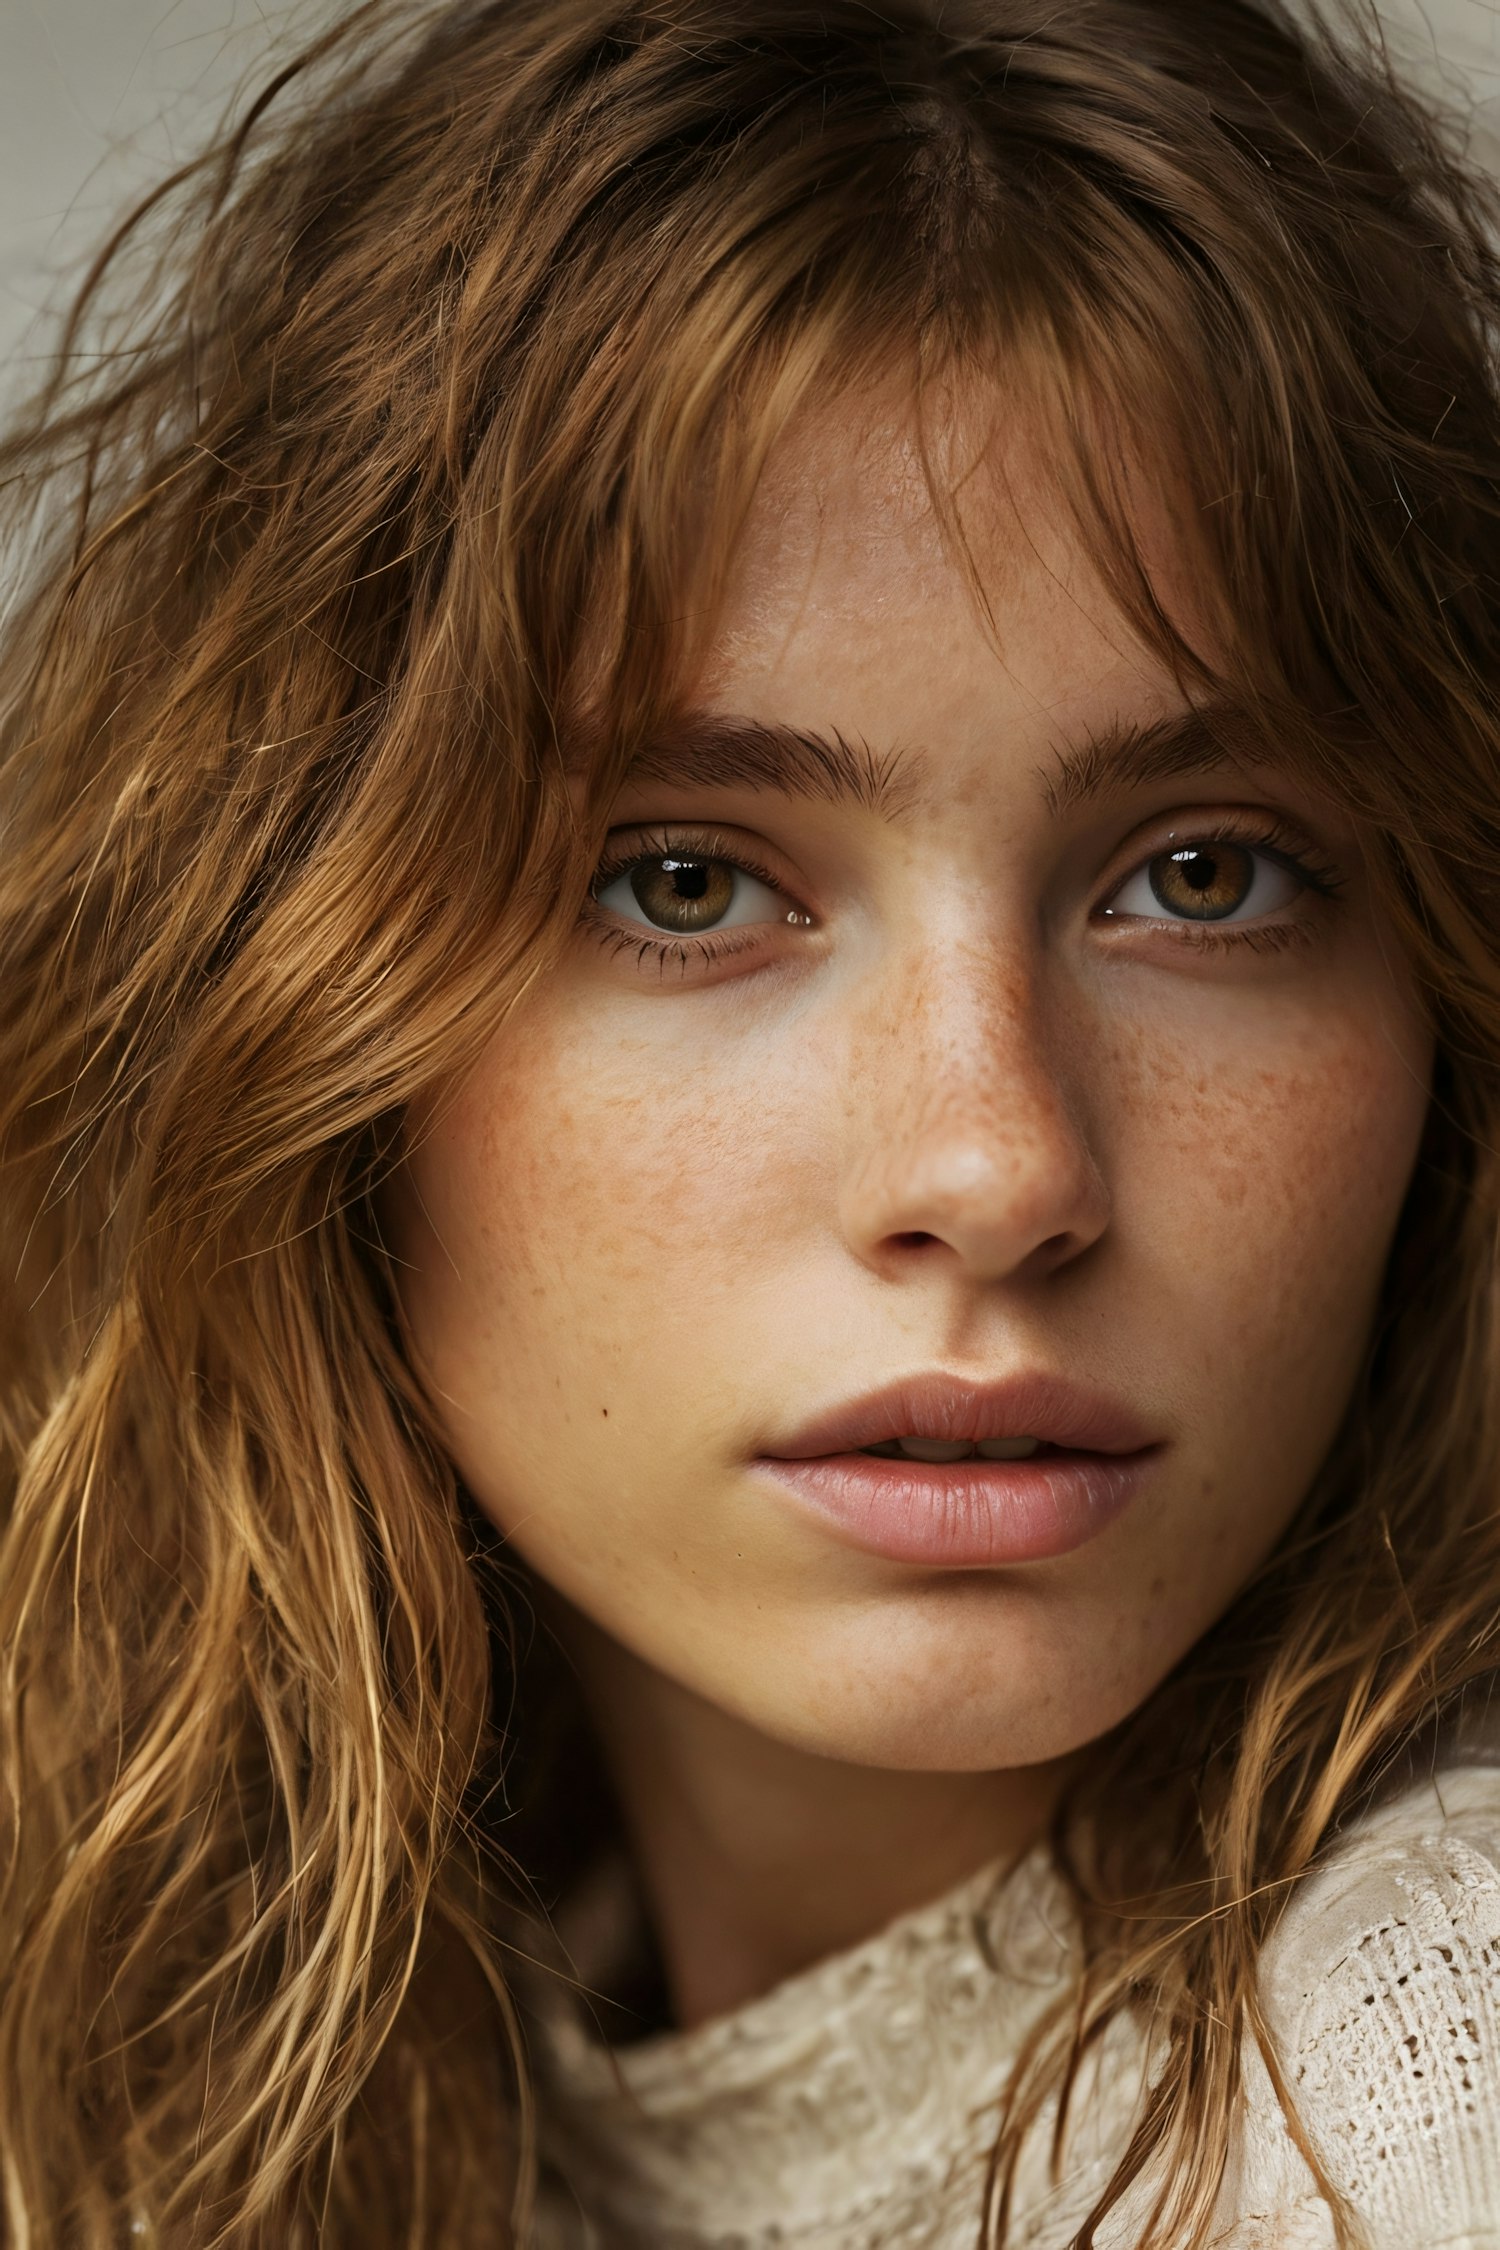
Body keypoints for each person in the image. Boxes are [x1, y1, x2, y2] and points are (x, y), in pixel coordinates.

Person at [2, 0, 1499, 2241]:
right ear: (285, 996)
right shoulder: (219, 2011)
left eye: (1206, 875)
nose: (994, 1170)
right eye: (685, 883)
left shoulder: (1416, 2090)